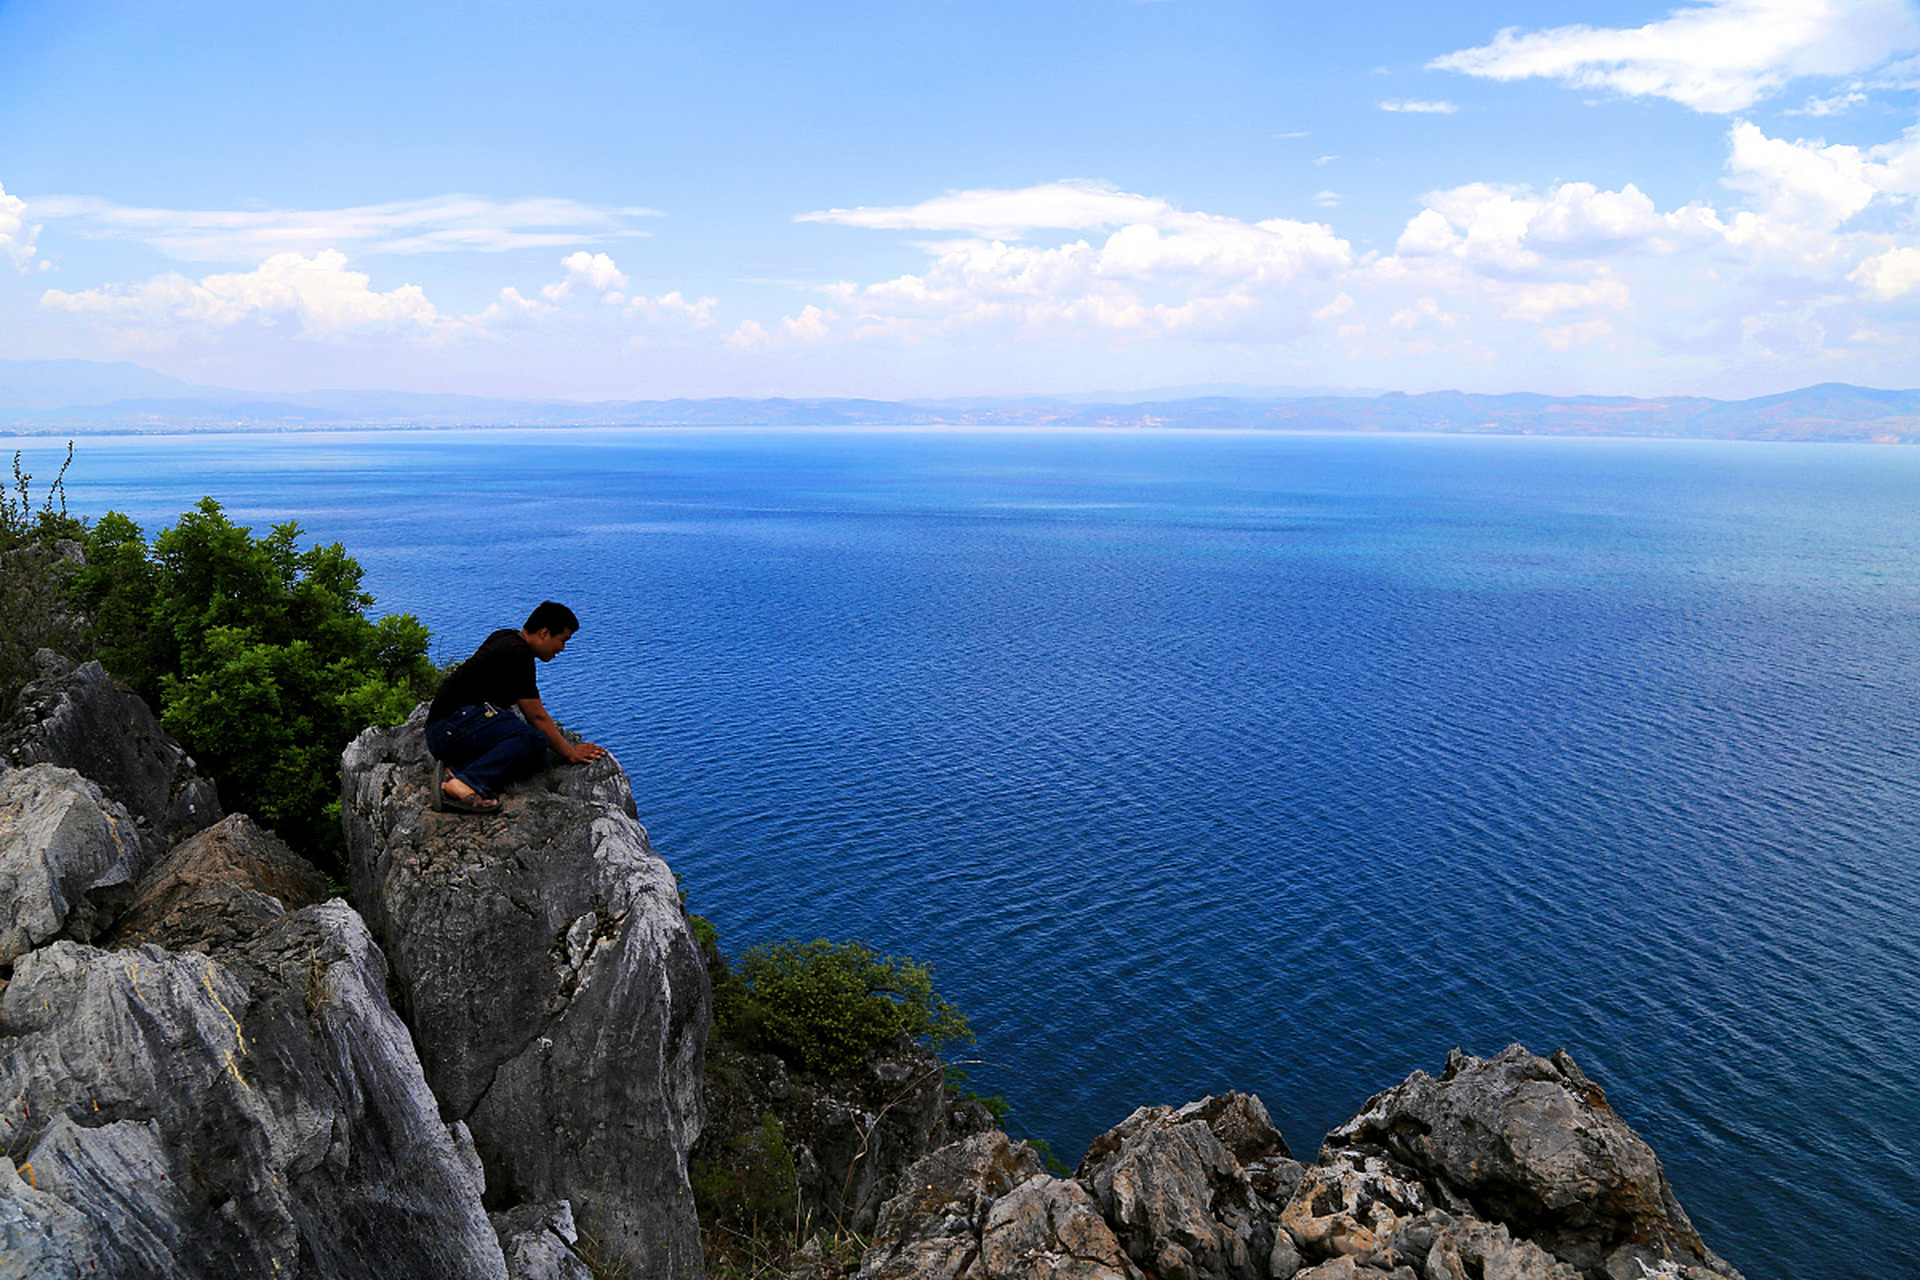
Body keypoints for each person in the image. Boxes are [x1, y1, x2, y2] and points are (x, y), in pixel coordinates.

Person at [424, 600, 607, 813]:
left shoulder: (505, 638)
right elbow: (536, 716)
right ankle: (466, 784)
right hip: (452, 726)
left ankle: (455, 770)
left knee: (537, 756)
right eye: (562, 640)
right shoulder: (518, 653)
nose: (562, 648)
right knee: (533, 740)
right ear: (544, 633)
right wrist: (570, 752)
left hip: (452, 727)